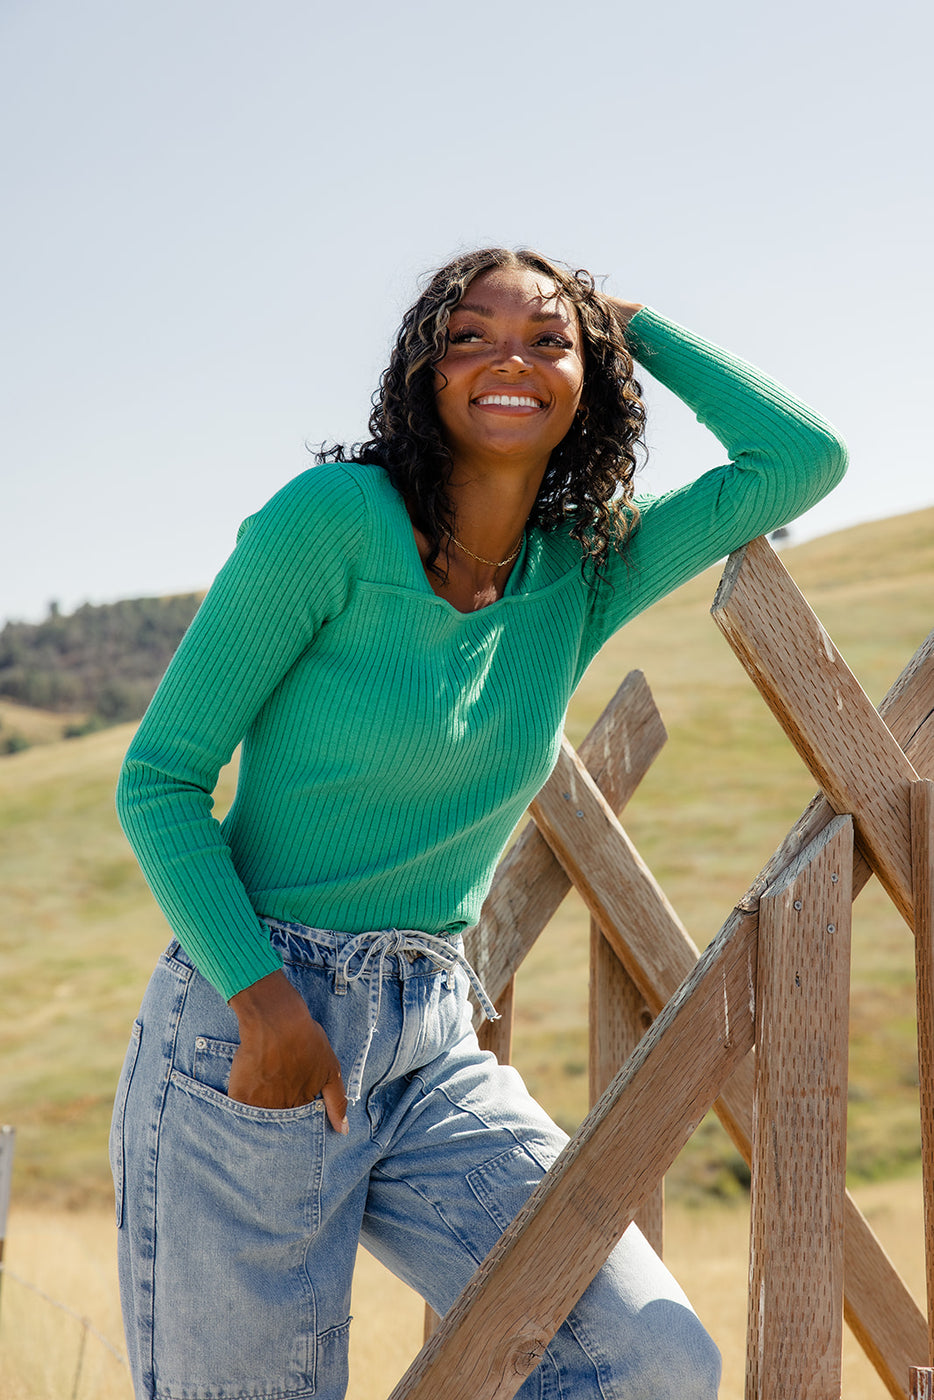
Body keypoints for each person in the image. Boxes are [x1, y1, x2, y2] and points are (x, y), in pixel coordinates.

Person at [111, 246, 847, 1400]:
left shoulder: (585, 566)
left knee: (645, 1362)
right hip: (251, 1021)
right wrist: (263, 1000)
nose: (509, 357)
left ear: (588, 379)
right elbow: (158, 779)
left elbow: (800, 460)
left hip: (430, 1032)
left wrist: (626, 321)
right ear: (423, 372)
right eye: (470, 335)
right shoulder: (334, 522)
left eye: (545, 339)